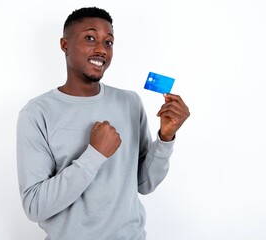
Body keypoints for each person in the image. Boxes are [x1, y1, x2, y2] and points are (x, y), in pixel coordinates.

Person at [17, 6, 190, 240]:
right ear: (64, 45)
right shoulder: (36, 113)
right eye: (90, 38)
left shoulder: (130, 103)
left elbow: (144, 184)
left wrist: (165, 138)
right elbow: (35, 206)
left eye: (108, 42)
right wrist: (95, 154)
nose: (101, 50)